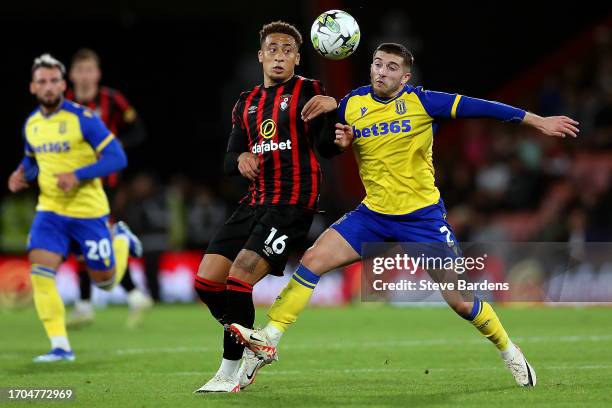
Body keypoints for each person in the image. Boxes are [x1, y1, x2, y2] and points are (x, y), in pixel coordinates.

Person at [230, 43, 580, 388]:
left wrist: (537, 120)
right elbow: (327, 144)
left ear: (405, 76)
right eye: (378, 64)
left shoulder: (423, 102)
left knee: (460, 302)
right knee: (314, 258)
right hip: (373, 214)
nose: (382, 72)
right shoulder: (353, 104)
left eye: (391, 67)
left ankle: (509, 351)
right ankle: (268, 339)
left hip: (422, 219)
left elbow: (483, 107)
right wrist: (337, 134)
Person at [192, 21, 352, 393]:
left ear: (297, 57)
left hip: (293, 201)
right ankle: (253, 340)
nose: (279, 56)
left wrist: (338, 134)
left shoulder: (309, 90)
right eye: (273, 49)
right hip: (254, 202)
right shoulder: (245, 103)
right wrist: (241, 159)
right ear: (261, 56)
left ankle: (230, 370)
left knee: (239, 277)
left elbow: (326, 146)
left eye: (287, 50)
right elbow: (229, 158)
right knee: (206, 281)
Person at [7, 54, 143, 362]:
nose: (48, 86)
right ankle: (60, 347)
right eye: (42, 81)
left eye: (54, 80)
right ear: (32, 87)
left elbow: (117, 158)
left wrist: (78, 175)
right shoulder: (32, 124)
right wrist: (21, 173)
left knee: (105, 282)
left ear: (62, 85)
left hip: (88, 212)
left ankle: (119, 239)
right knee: (41, 272)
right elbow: (32, 160)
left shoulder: (83, 118)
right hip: (50, 212)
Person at [64, 48, 151, 327]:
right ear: (72, 74)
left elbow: (138, 130)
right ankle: (131, 295)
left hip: (106, 184)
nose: (86, 76)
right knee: (83, 240)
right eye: (81, 70)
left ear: (98, 74)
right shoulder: (64, 102)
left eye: (90, 70)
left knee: (90, 238)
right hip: (75, 181)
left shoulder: (112, 100)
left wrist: (116, 146)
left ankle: (87, 304)